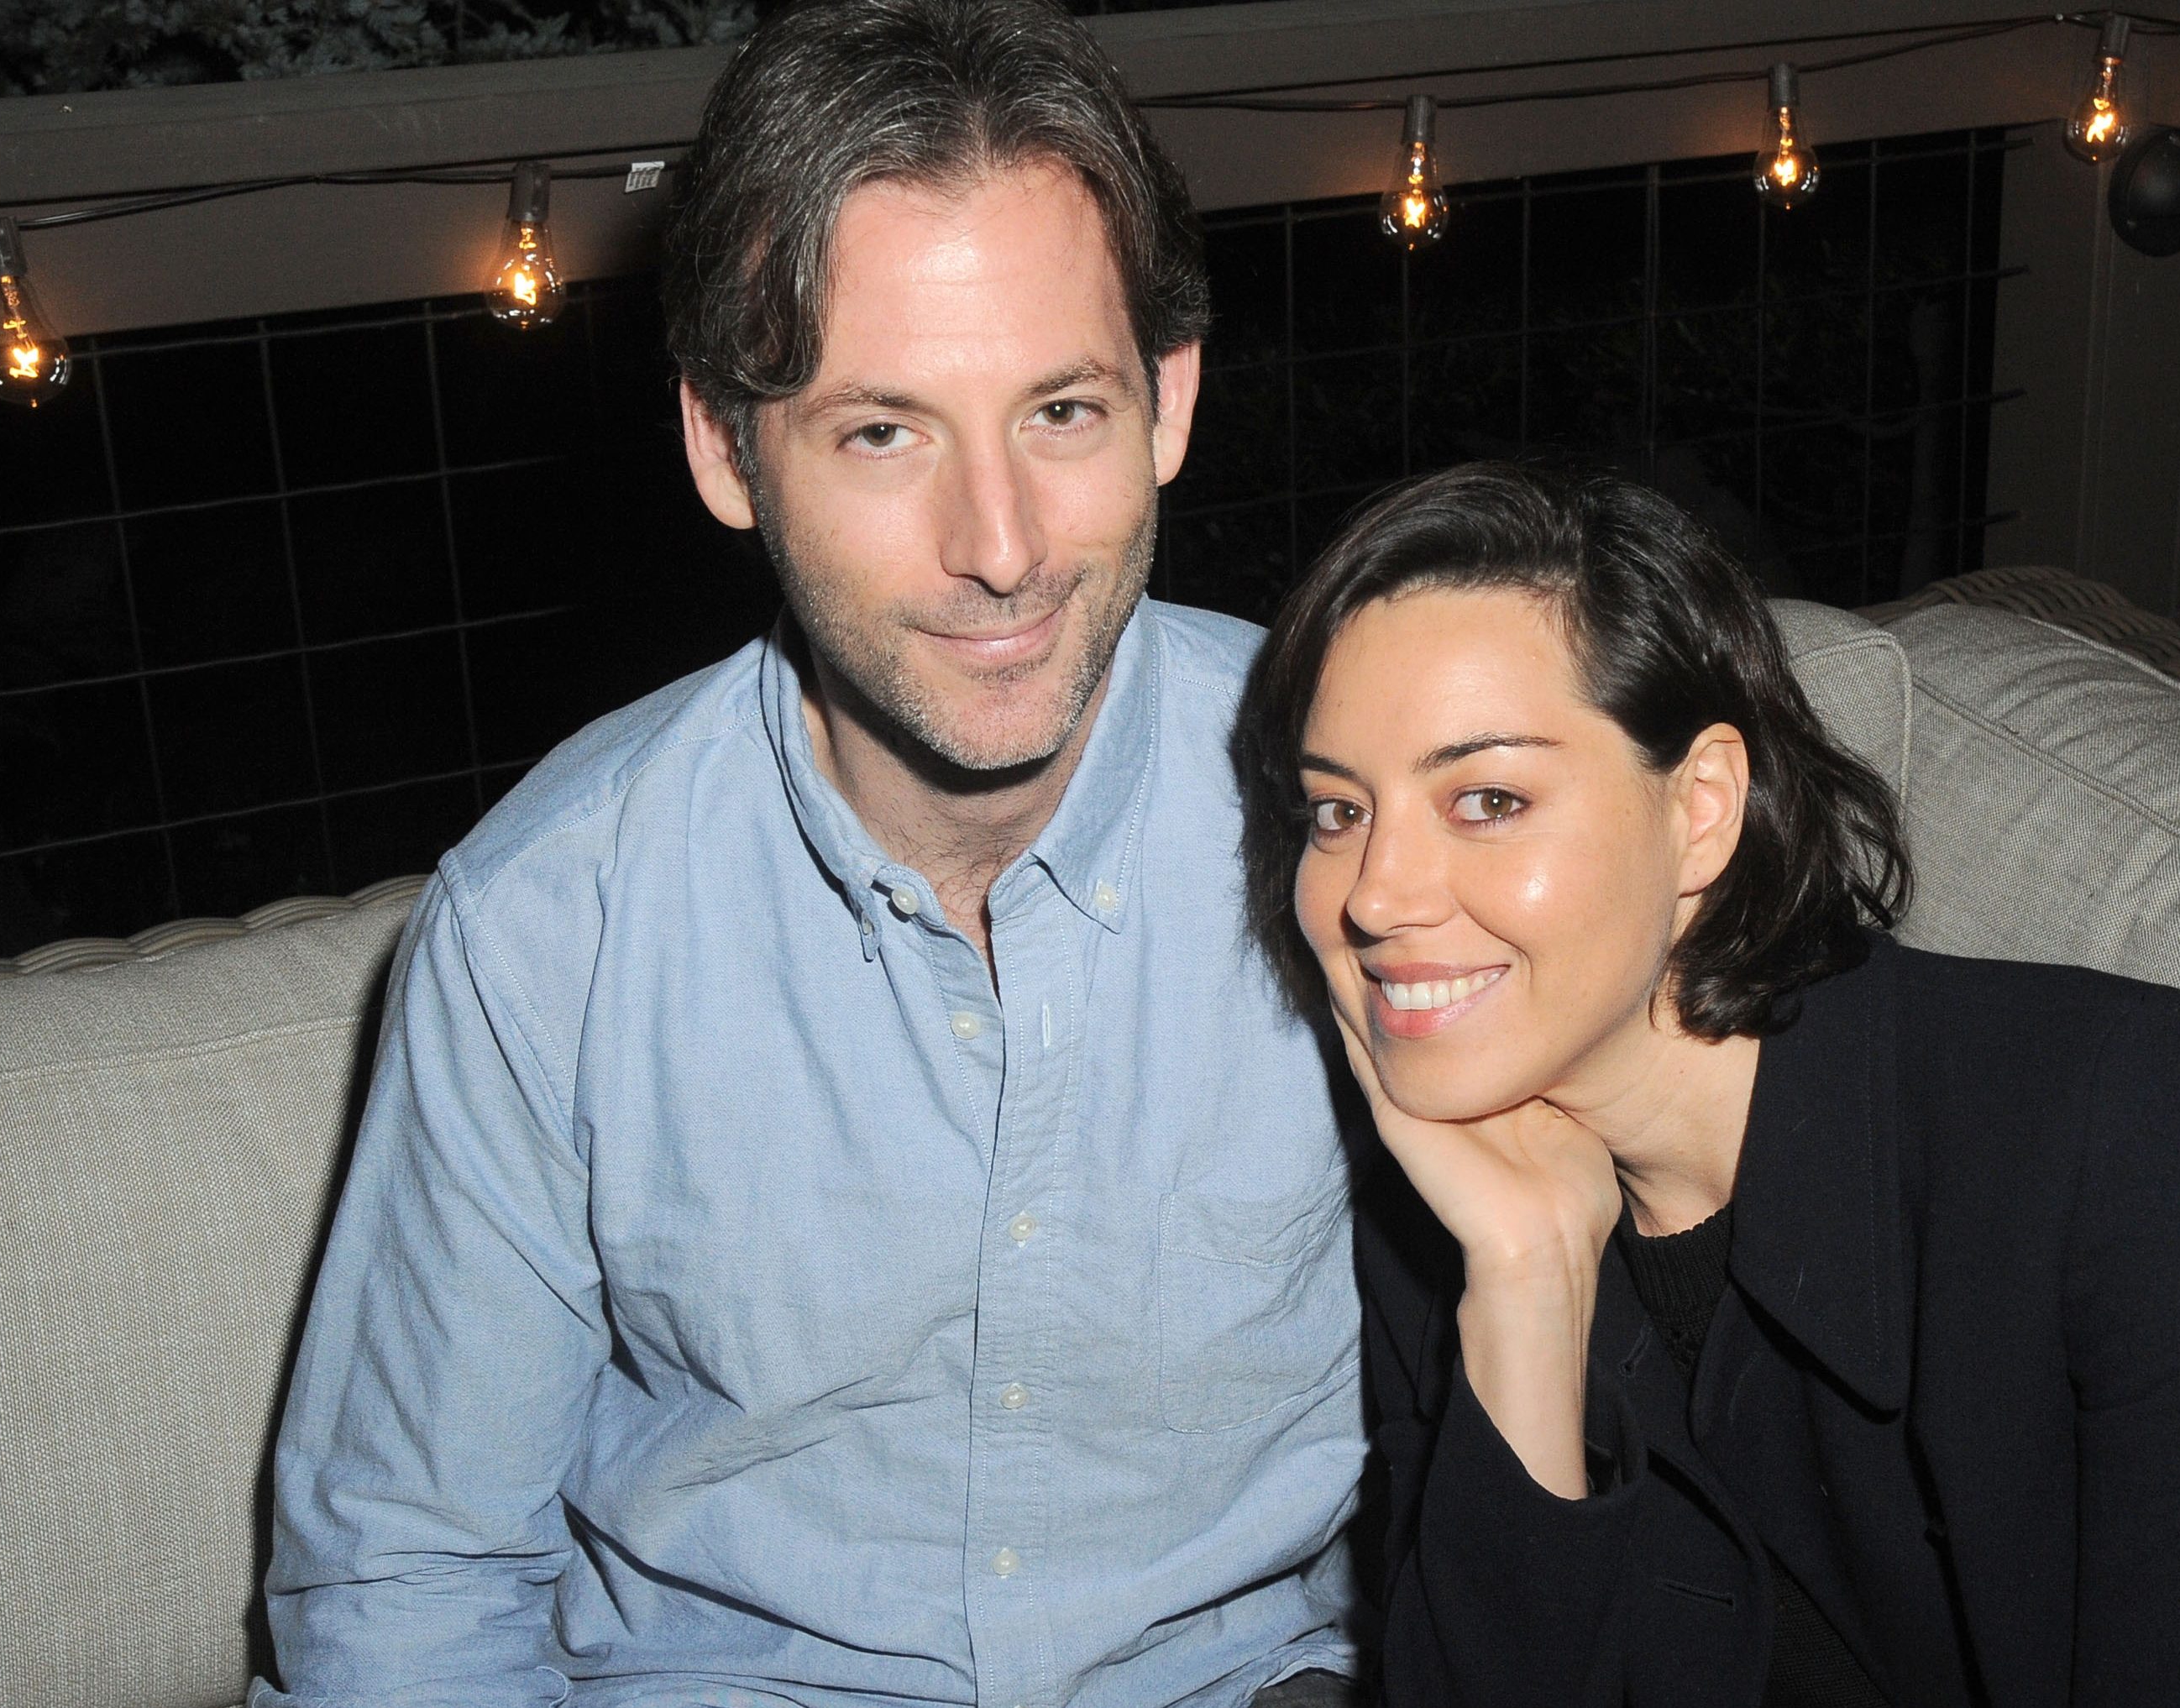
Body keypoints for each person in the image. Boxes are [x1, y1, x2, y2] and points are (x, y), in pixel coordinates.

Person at [252, 3, 1365, 1703]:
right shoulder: (550, 931)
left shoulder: (1368, 810)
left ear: (1170, 403)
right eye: (882, 432)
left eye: (1061, 411)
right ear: (724, 447)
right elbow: (409, 1584)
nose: (999, 550)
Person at [1231, 461, 2180, 1706]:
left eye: (1486, 798)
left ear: (1703, 809)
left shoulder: (2126, 1128)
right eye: (1336, 811)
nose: (1377, 894)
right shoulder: (1459, 1203)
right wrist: (1526, 1291)